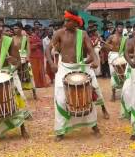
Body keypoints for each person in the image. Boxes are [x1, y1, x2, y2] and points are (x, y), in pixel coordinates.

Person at [45, 10, 109, 141]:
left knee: (87, 98)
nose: (65, 22)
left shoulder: (83, 34)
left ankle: (94, 126)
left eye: (68, 20)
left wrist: (96, 61)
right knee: (61, 100)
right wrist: (52, 63)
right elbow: (47, 49)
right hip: (63, 69)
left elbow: (91, 52)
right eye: (65, 20)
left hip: (80, 67)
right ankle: (60, 130)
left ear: (75, 22)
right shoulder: (59, 33)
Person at [12, 22, 37, 99]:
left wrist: (27, 57)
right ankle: (18, 93)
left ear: (20, 29)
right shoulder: (12, 38)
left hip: (24, 57)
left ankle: (34, 91)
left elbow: (28, 48)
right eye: (14, 28)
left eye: (16, 28)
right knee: (16, 76)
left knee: (29, 75)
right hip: (16, 59)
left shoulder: (25, 38)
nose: (14, 30)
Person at [104, 21, 128, 101]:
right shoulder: (111, 37)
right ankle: (113, 94)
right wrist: (108, 47)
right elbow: (104, 46)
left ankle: (123, 93)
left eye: (122, 27)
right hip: (113, 56)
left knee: (123, 75)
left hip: (122, 57)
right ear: (116, 28)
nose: (120, 29)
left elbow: (127, 49)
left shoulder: (125, 38)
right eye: (119, 27)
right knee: (113, 75)